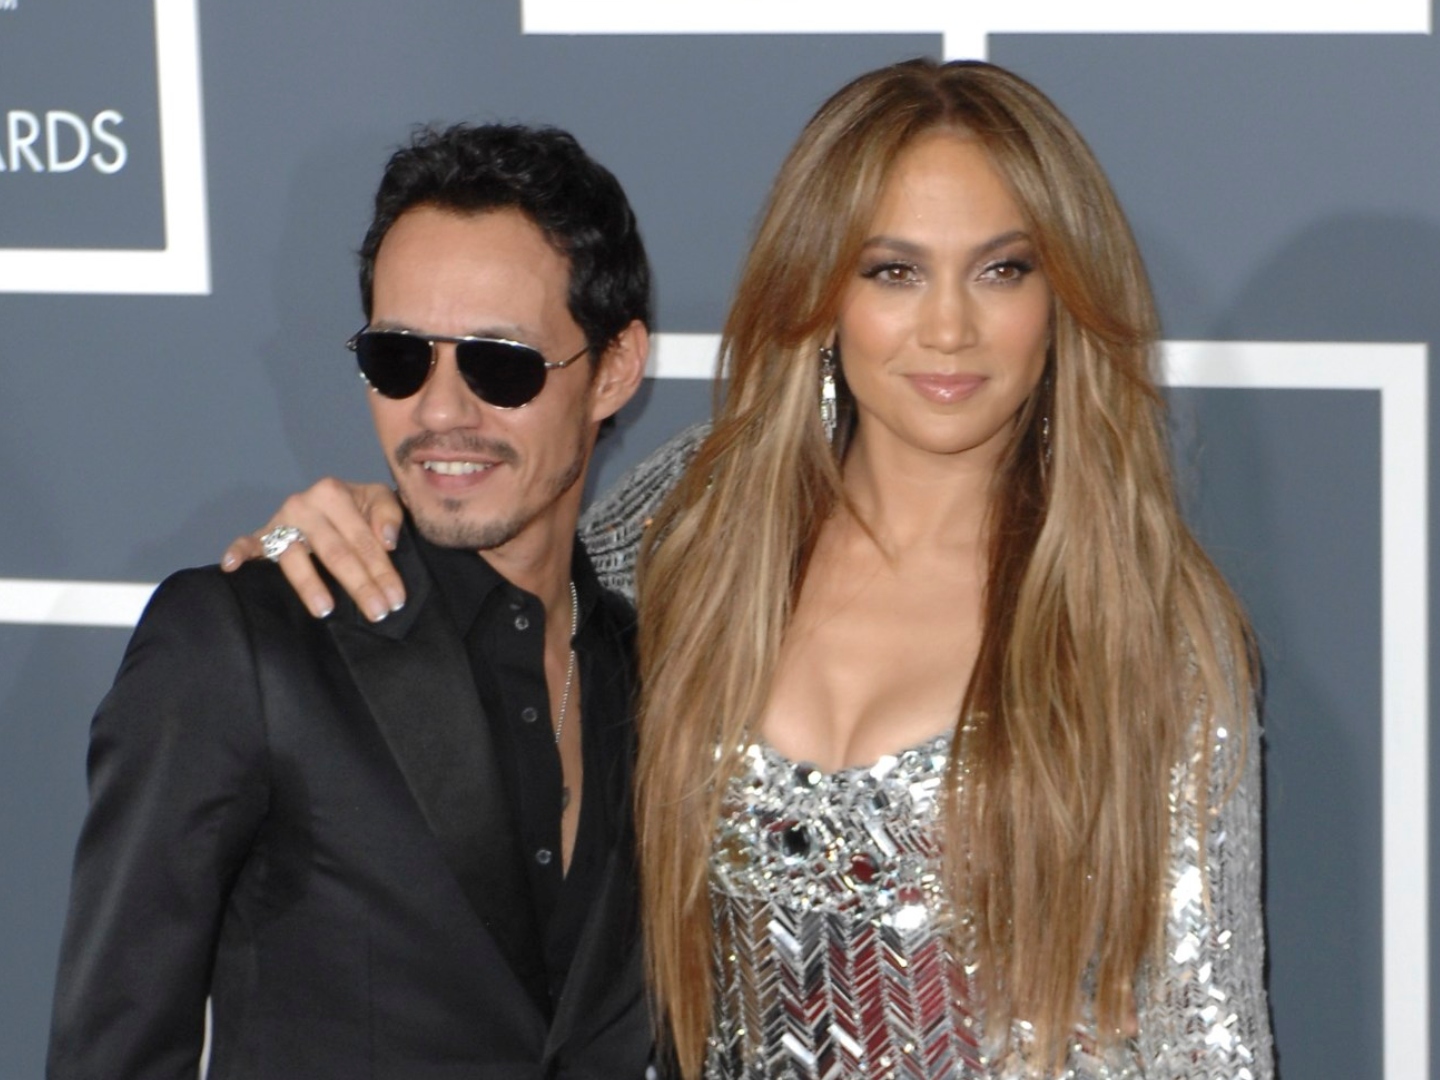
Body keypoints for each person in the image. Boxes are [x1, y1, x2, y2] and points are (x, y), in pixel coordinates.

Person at [226, 60, 1274, 1080]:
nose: (949, 326)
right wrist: (342, 537)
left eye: (1002, 269)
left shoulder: (1150, 623)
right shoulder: (697, 524)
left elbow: (1207, 1039)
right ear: (821, 289)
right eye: (893, 270)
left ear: (1062, 298)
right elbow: (491, 601)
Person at [48, 122, 651, 1079]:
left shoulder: (653, 672)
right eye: (399, 358)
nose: (442, 412)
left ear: (614, 369)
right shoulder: (242, 642)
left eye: (500, 363)